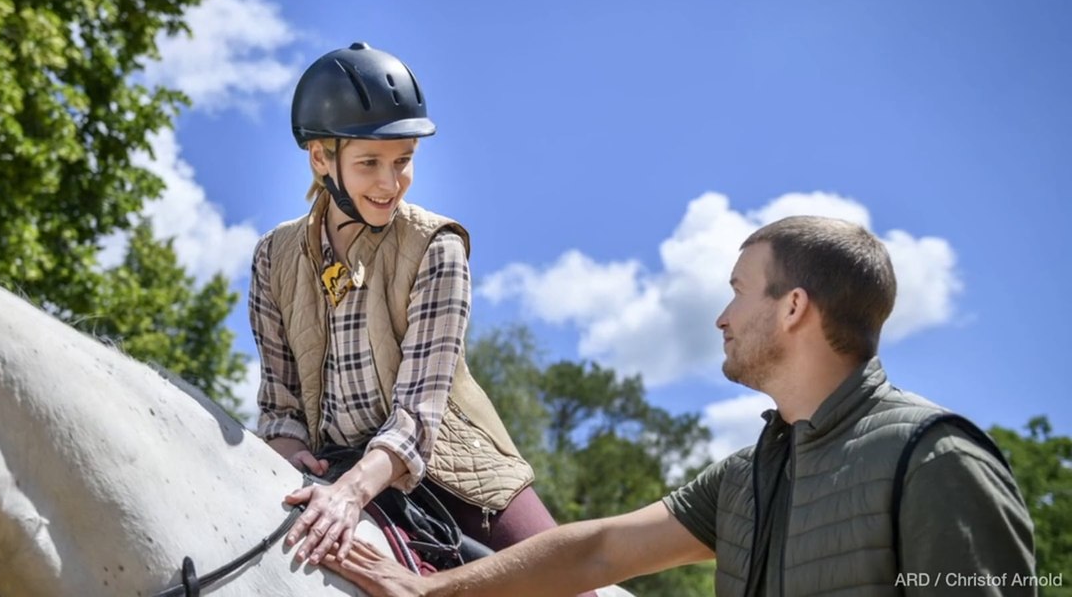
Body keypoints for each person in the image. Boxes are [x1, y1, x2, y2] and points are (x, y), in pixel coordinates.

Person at [328, 216, 1037, 596]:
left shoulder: (934, 458)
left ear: (794, 307)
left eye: (738, 290)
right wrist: (434, 591)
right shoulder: (746, 478)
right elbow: (600, 550)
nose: (722, 317)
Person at [251, 42, 582, 584]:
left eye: (403, 161)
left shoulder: (437, 247)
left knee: (575, 589)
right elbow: (279, 398)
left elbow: (417, 415)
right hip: (329, 462)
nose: (390, 182)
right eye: (370, 163)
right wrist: (288, 451)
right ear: (320, 158)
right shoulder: (273, 256)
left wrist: (351, 493)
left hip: (445, 469)